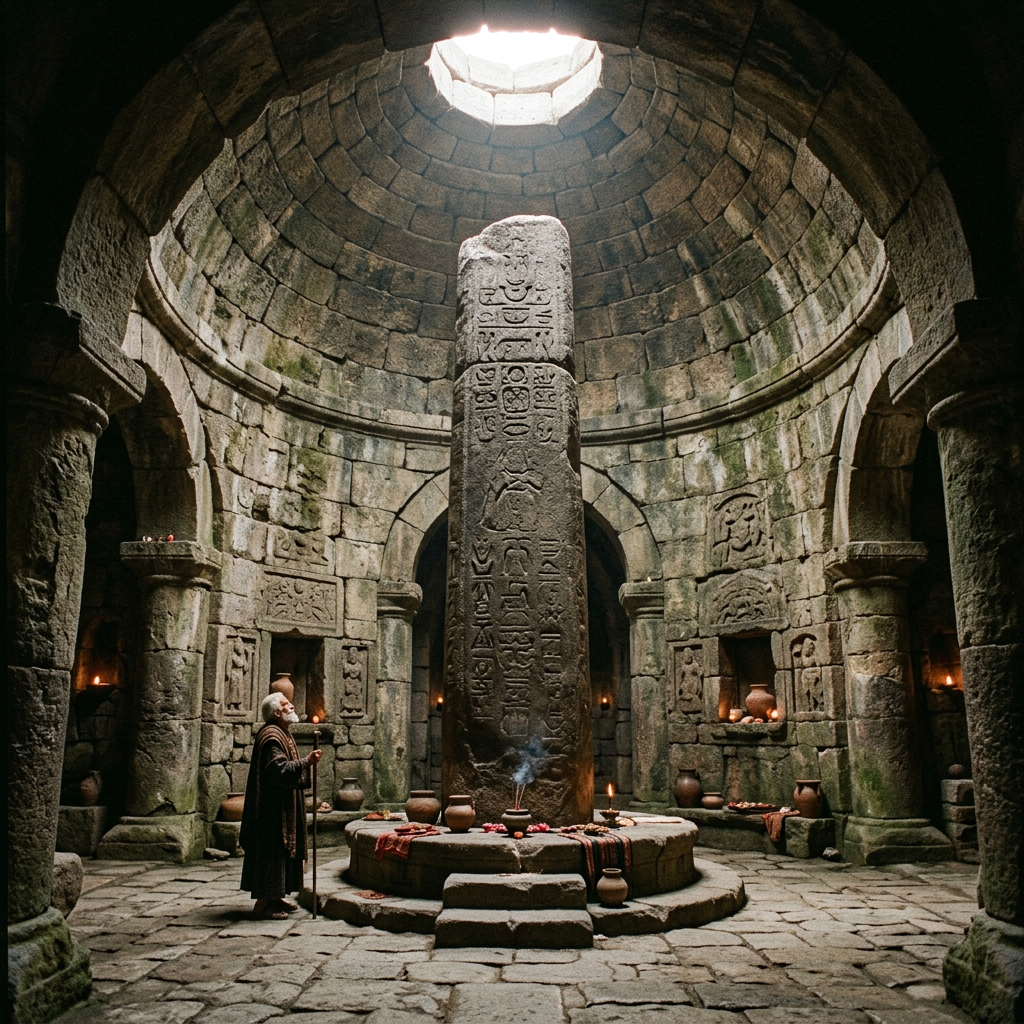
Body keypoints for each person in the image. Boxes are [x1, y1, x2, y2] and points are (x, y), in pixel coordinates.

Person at [240, 691, 322, 919]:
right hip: (271, 810)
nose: (292, 706)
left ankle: (275, 897)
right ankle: (264, 903)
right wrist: (307, 762)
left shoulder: (282, 732)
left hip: (281, 805)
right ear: (276, 713)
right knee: (272, 852)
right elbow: (278, 769)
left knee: (281, 852)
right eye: (286, 705)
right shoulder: (272, 737)